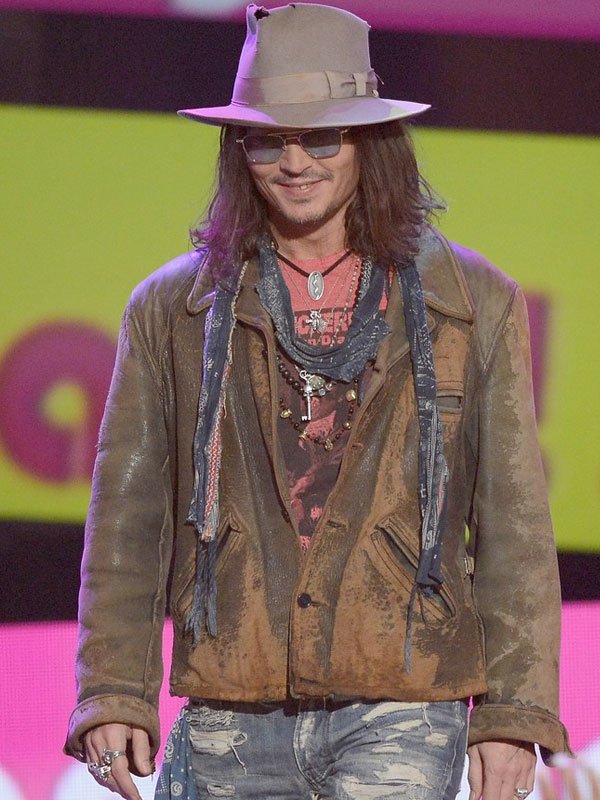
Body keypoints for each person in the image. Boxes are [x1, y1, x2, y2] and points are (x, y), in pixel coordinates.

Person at [65, 3, 571, 800]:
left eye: (322, 137)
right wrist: (113, 690)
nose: (294, 161)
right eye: (268, 139)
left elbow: (514, 523)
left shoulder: (470, 301)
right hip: (232, 695)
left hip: (405, 694)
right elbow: (128, 517)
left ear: (370, 141)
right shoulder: (174, 309)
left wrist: (513, 713)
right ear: (240, 151)